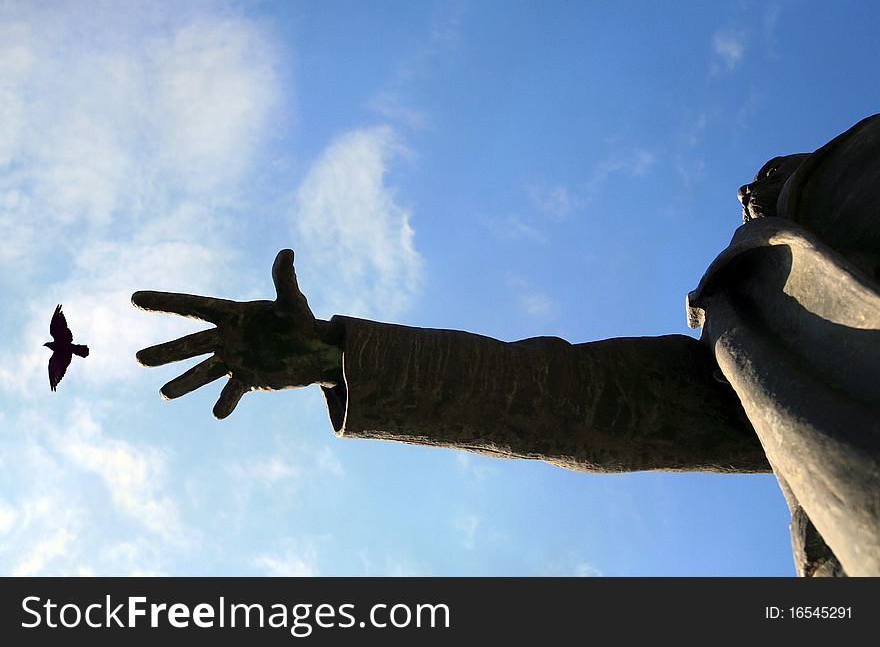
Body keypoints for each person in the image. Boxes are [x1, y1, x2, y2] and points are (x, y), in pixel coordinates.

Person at [132, 114, 880, 577]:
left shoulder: (819, 212)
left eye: (765, 191)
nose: (749, 196)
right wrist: (337, 355)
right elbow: (583, 400)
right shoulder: (763, 310)